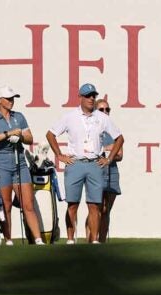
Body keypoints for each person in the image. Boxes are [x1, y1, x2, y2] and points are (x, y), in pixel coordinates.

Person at [46, 83, 124, 244]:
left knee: (94, 204)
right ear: (80, 97)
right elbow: (50, 134)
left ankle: (94, 240)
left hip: (95, 164)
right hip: (75, 163)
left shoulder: (102, 118)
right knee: (72, 203)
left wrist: (109, 159)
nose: (91, 99)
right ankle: (70, 239)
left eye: (93, 96)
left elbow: (119, 138)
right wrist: (59, 155)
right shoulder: (70, 116)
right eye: (88, 96)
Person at [0, 86, 43, 245]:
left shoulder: (19, 117)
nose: (11, 101)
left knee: (28, 204)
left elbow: (30, 138)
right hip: (1, 162)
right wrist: (8, 135)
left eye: (12, 98)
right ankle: (8, 238)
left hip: (20, 161)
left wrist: (20, 137)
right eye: (8, 98)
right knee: (6, 204)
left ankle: (38, 239)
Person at [96, 99, 124, 242]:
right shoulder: (92, 128)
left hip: (111, 172)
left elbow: (119, 155)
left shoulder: (113, 129)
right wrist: (109, 148)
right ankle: (91, 241)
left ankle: (101, 242)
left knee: (106, 211)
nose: (105, 112)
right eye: (101, 110)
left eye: (107, 110)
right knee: (96, 210)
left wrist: (107, 150)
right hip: (96, 172)